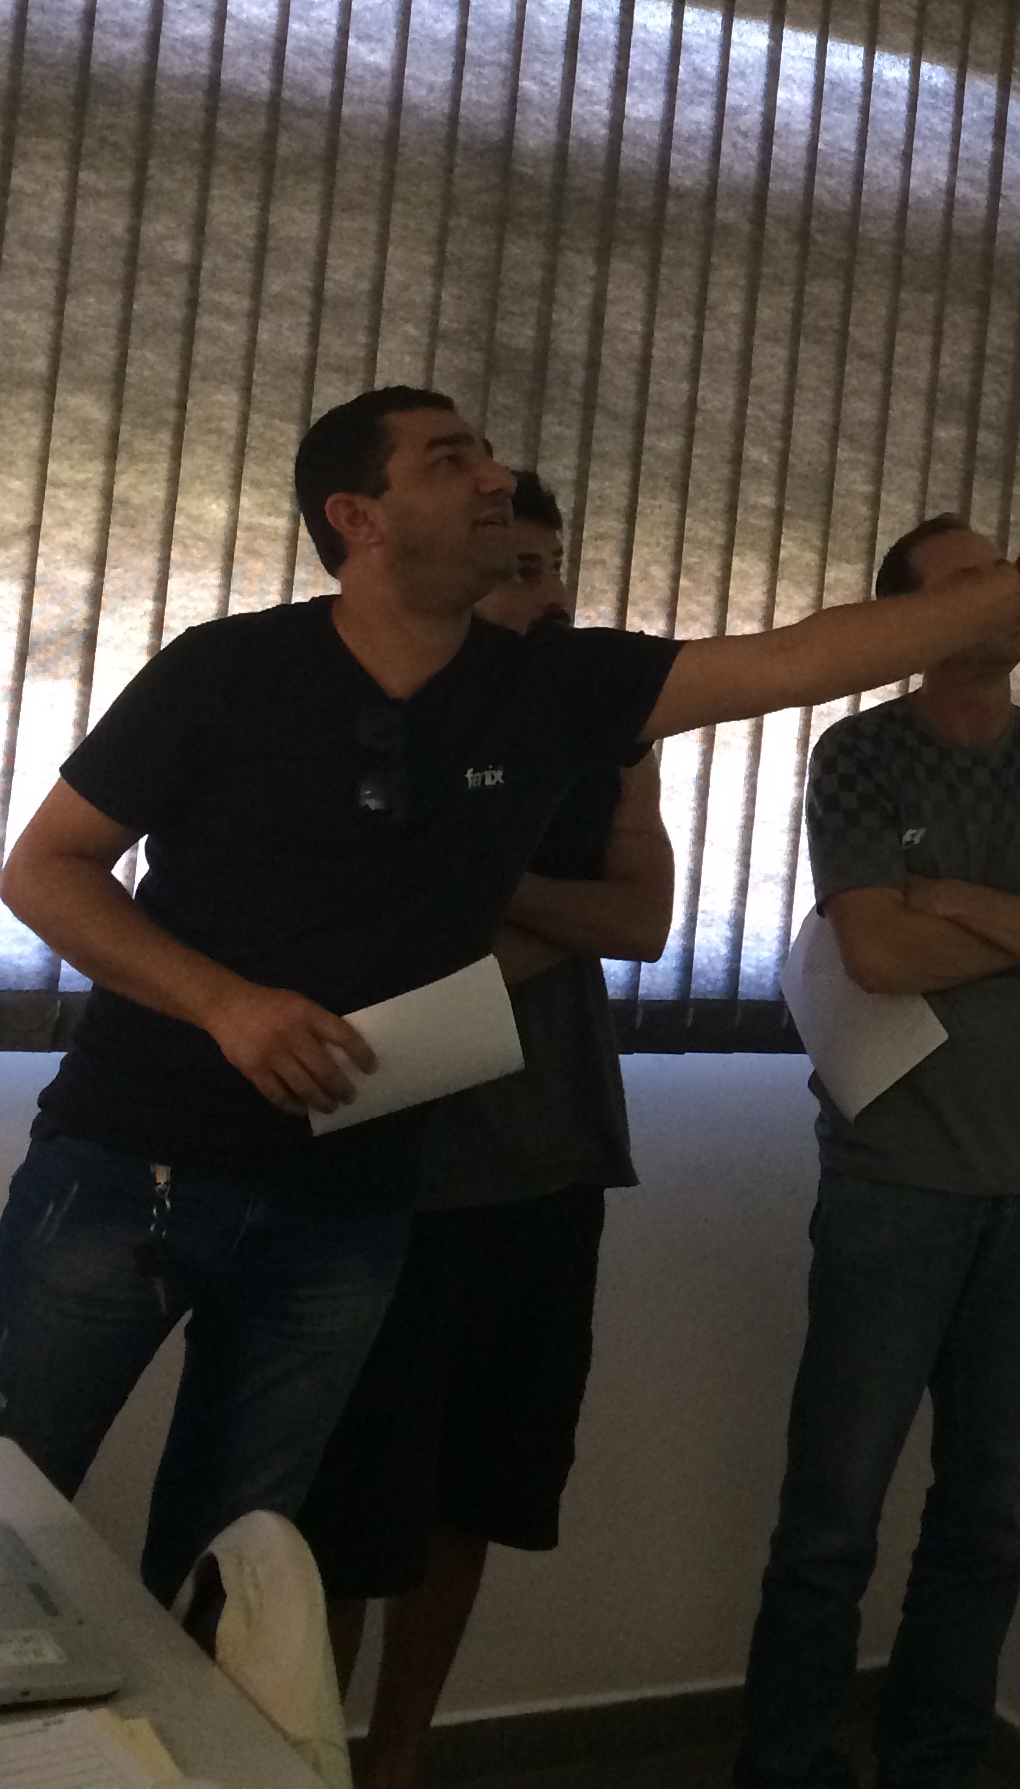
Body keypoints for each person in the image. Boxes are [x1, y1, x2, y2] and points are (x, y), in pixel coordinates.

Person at [0, 386, 1020, 1600]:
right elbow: (47, 871)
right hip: (130, 1168)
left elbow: (797, 658)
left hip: (349, 1203)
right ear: (356, 518)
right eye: (448, 459)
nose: (493, 475)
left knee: (241, 1571)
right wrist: (227, 1005)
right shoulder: (226, 671)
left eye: (487, 453)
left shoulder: (544, 688)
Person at [734, 513, 1020, 1789]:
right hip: (896, 1186)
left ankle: (935, 1762)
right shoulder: (861, 755)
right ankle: (787, 1768)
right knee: (832, 1519)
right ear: (915, 616)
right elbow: (877, 954)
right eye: (968, 581)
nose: (1003, 593)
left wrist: (959, 901)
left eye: (1002, 572)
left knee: (986, 1516)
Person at [297, 471, 673, 1789]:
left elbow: (641, 922)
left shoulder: (602, 734)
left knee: (477, 1499)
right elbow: (363, 932)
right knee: (342, 1514)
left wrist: (478, 892)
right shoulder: (370, 717)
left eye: (556, 569)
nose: (549, 595)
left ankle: (398, 1760)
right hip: (384, 1168)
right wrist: (527, 916)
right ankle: (304, 1762)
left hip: (550, 1160)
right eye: (520, 570)